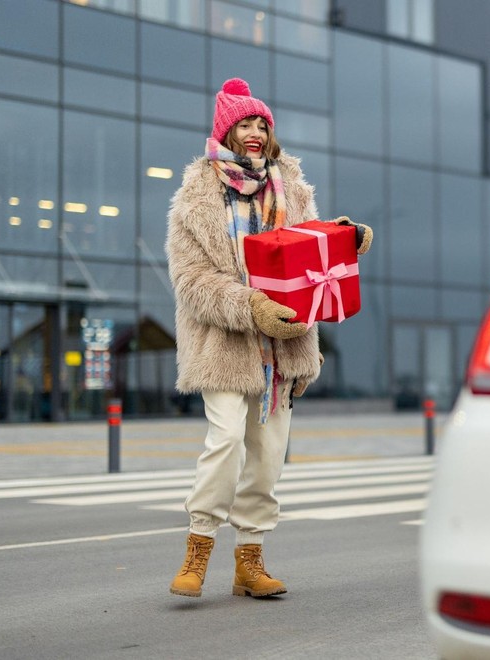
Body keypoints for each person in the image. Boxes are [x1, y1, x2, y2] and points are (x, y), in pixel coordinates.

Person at [165, 78, 372, 598]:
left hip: (282, 347)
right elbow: (190, 284)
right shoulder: (195, 199)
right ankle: (199, 547)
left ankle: (250, 562)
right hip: (222, 347)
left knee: (268, 453)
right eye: (245, 124)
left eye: (262, 124)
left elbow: (308, 249)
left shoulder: (293, 189)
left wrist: (344, 238)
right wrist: (249, 305)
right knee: (228, 439)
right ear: (226, 130)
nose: (255, 133)